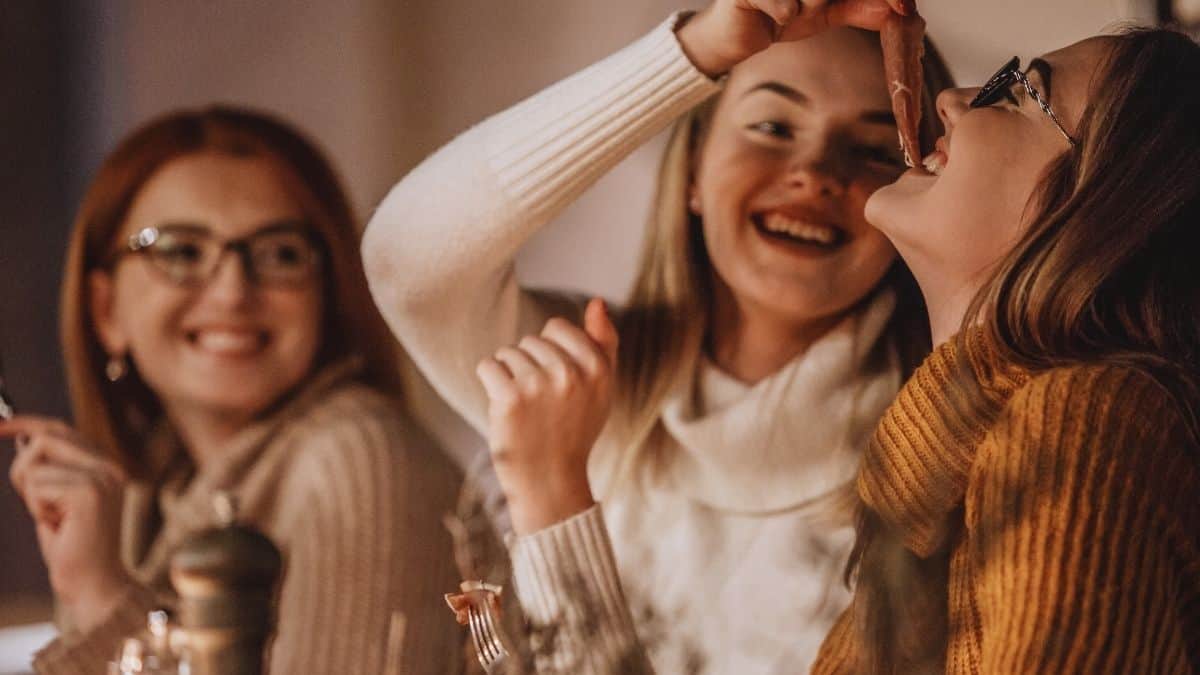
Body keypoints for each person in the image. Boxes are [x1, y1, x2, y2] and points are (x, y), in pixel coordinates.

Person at [464, 4, 1200, 674]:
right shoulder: (940, 456)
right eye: (773, 127)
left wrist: (555, 512)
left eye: (1017, 91)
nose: (949, 103)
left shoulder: (1082, 419)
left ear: (1104, 201)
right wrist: (695, 44)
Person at [362, 0, 952, 671]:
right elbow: (406, 259)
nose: (817, 172)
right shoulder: (593, 380)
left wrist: (555, 497)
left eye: (875, 149)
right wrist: (697, 48)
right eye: (771, 124)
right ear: (694, 168)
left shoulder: (935, 453)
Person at [2, 107, 464, 675]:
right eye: (181, 251)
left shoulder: (355, 460)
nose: (232, 292)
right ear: (106, 311)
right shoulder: (143, 497)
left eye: (280, 254)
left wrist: (102, 598)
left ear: (329, 291)